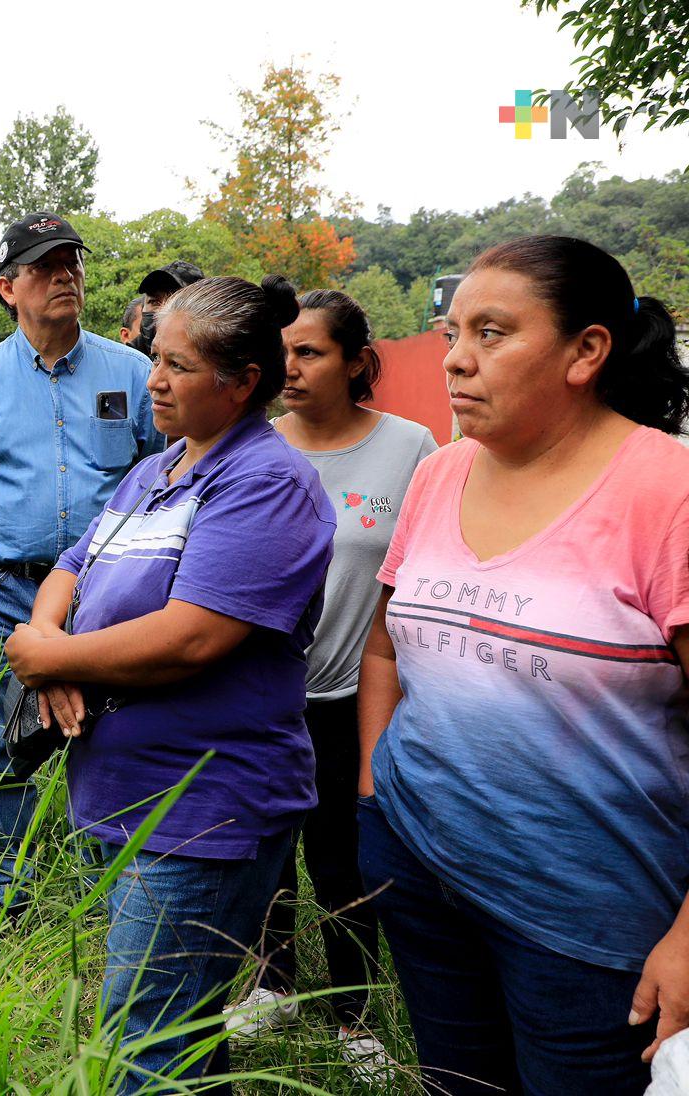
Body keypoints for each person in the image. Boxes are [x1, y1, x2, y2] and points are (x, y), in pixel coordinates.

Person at [357, 235, 689, 1094]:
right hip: (421, 865)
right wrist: (371, 793)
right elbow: (388, 639)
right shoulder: (443, 472)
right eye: (451, 333)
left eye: (493, 333)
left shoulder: (667, 495)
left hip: (591, 917)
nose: (457, 362)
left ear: (587, 351)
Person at [4, 275, 335, 1089]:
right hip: (123, 795)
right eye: (156, 357)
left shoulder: (265, 482)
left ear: (243, 381)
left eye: (178, 365)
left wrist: (51, 660)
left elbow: (194, 637)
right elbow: (72, 565)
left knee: (142, 1046)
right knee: (175, 1032)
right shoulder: (157, 472)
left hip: (200, 811)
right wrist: (46, 633)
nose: (153, 378)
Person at [225, 290, 435, 1078]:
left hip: (357, 695)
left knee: (344, 862)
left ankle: (354, 1017)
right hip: (263, 695)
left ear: (355, 361)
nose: (290, 368)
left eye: (310, 352)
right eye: (283, 353)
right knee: (267, 852)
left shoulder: (412, 449)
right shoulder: (257, 446)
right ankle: (271, 981)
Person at [0, 211, 162, 915]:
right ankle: (5, 890)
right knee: (3, 736)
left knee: (111, 732)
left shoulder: (132, 373)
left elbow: (162, 478)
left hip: (107, 594)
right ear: (9, 287)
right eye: (45, 265)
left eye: (73, 261)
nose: (66, 274)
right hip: (2, 589)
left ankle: (113, 884)